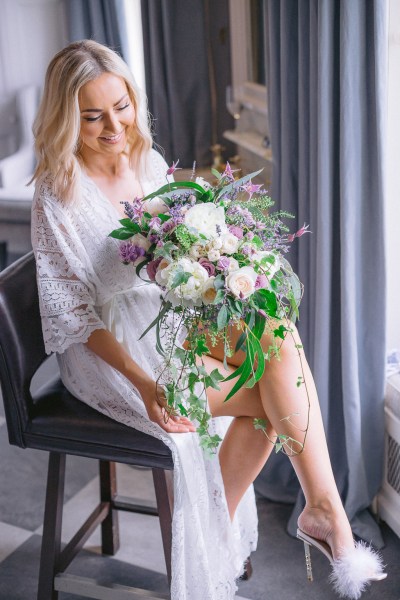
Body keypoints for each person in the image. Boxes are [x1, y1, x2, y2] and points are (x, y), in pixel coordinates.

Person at [31, 40, 386, 600]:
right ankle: (232, 530)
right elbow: (72, 316)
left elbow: (171, 263)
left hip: (167, 320)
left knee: (276, 336)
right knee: (274, 399)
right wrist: (147, 385)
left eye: (120, 107)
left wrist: (224, 270)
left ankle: (321, 511)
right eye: (92, 116)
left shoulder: (147, 163)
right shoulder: (59, 192)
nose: (112, 128)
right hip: (110, 350)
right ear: (66, 117)